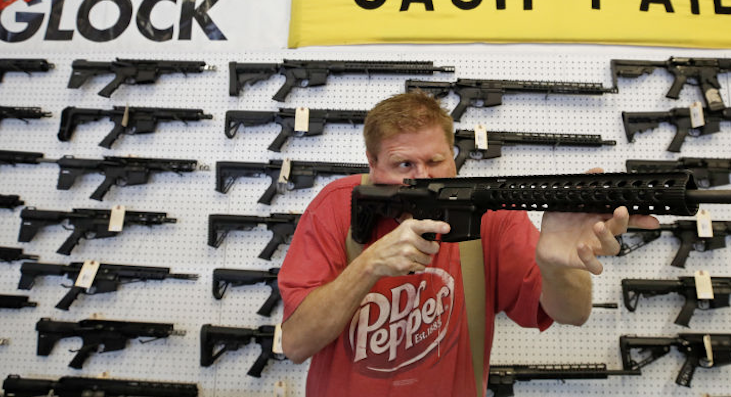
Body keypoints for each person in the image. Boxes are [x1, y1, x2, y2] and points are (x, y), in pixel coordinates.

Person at [278, 90, 659, 396]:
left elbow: (573, 313)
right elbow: (295, 345)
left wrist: (556, 265)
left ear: (454, 158)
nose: (423, 177)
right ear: (372, 163)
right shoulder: (336, 206)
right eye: (404, 165)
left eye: (436, 161)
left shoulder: (492, 214)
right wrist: (368, 265)